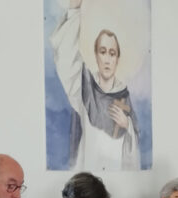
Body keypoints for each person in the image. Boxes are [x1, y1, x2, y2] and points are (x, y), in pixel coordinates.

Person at [51, 0, 140, 170]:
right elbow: (67, 60)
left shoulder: (124, 95)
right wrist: (74, 11)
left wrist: (127, 125)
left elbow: (135, 147)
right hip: (88, 169)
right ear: (96, 55)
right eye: (103, 51)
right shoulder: (85, 87)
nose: (107, 59)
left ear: (117, 59)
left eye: (112, 53)